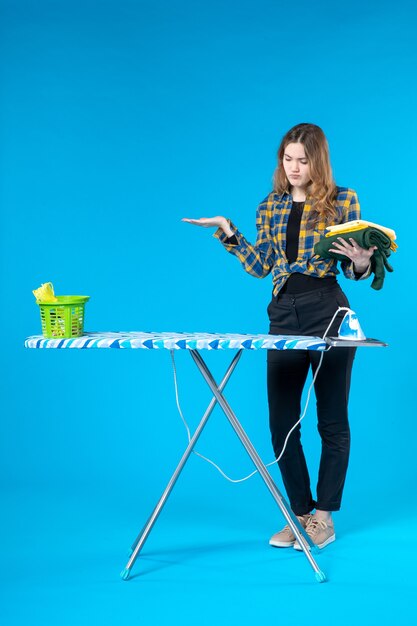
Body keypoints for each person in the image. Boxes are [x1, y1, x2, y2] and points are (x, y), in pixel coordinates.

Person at [182, 123, 377, 550]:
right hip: (283, 314)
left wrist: (362, 260)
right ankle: (301, 514)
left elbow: (352, 270)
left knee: (331, 418)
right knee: (281, 423)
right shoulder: (269, 206)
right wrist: (228, 231)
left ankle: (323, 519)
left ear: (317, 161)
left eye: (302, 160)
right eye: (287, 159)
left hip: (329, 309)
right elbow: (260, 266)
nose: (293, 167)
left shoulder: (343, 200)